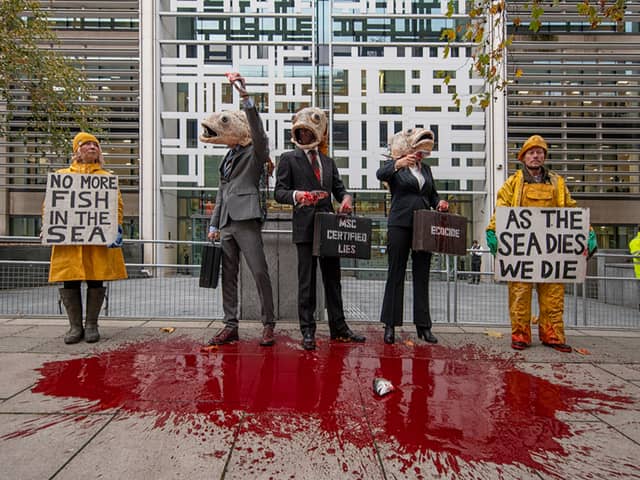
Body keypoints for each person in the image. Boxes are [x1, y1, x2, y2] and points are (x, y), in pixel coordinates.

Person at [485, 134, 597, 353]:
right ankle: (520, 335)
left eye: (539, 152)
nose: (535, 156)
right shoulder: (513, 183)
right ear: (523, 157)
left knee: (553, 294)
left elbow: (570, 210)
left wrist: (586, 232)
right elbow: (502, 209)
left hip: (551, 253)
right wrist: (493, 231)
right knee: (519, 294)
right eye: (531, 152)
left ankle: (553, 335)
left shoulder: (558, 182)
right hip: (521, 253)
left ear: (544, 156)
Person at [274, 106, 365, 350]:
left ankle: (339, 328)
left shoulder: (328, 161)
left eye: (307, 132)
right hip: (304, 226)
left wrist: (346, 199)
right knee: (306, 280)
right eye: (300, 132)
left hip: (328, 227)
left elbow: (340, 189)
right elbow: (279, 192)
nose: (304, 135)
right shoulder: (287, 159)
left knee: (333, 279)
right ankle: (308, 331)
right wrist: (299, 195)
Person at [202, 73, 276, 347]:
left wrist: (245, 97)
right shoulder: (227, 157)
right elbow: (222, 191)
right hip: (226, 223)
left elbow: (258, 131)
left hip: (247, 219)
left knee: (259, 271)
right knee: (228, 275)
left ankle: (268, 324)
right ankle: (230, 325)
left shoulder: (255, 152)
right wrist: (213, 224)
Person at [48, 132, 128, 344]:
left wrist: (116, 228)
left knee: (95, 279)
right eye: (87, 144)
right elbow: (51, 205)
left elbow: (116, 206)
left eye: (95, 144)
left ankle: (92, 324)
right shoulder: (62, 175)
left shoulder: (107, 178)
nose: (92, 147)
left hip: (96, 242)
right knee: (70, 280)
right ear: (77, 150)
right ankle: (75, 327)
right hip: (70, 243)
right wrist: (49, 225)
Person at [376, 127, 449, 345]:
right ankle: (390, 325)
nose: (419, 154)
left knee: (422, 275)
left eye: (422, 152)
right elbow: (380, 174)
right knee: (395, 273)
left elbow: (432, 193)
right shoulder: (397, 168)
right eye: (416, 150)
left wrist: (439, 202)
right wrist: (398, 163)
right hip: (400, 223)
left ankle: (423, 326)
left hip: (423, 225)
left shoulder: (426, 170)